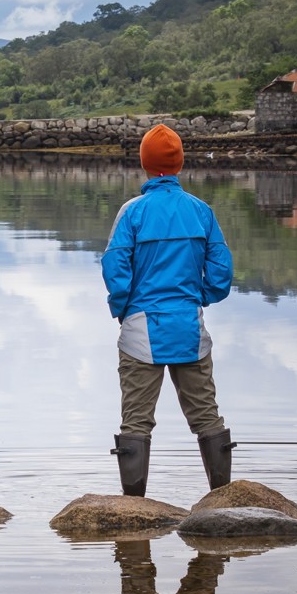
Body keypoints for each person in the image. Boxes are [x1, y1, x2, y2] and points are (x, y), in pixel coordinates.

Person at [102, 123, 236, 496]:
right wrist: (200, 297)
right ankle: (222, 499)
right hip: (190, 331)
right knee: (206, 415)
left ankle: (134, 507)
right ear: (179, 164)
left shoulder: (132, 213)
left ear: (145, 164)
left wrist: (124, 309)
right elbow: (222, 273)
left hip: (140, 331)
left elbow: (114, 268)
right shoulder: (201, 211)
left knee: (136, 422)